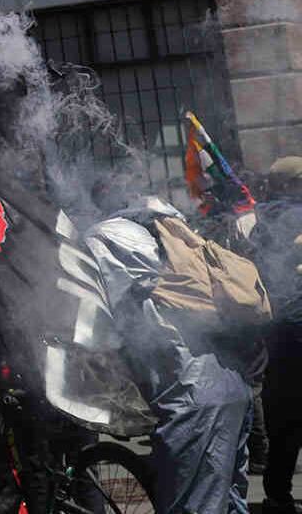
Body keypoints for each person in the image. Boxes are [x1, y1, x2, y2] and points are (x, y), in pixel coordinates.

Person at [85, 197, 253, 514]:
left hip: (195, 401)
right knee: (231, 503)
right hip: (232, 388)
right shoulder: (179, 272)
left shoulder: (122, 263)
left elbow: (98, 328)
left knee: (193, 506)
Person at [251, 157, 302, 514]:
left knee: (285, 418)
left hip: (278, 328)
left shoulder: (258, 224)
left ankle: (278, 497)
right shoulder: (293, 217)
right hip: (295, 323)